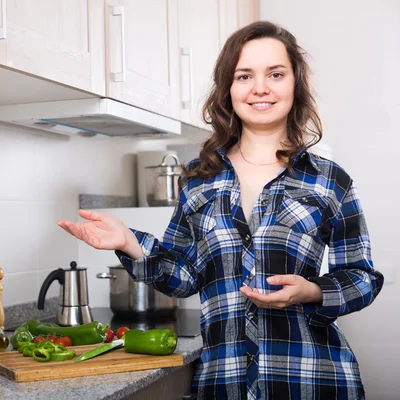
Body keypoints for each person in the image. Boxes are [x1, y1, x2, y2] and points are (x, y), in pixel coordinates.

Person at [57, 21, 384, 400]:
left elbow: (361, 277)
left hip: (312, 378)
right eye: (244, 75)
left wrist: (311, 291)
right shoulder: (200, 180)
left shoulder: (329, 181)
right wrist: (129, 241)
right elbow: (183, 276)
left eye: (275, 74)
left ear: (295, 83)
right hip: (222, 382)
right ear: (229, 89)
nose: (260, 87)